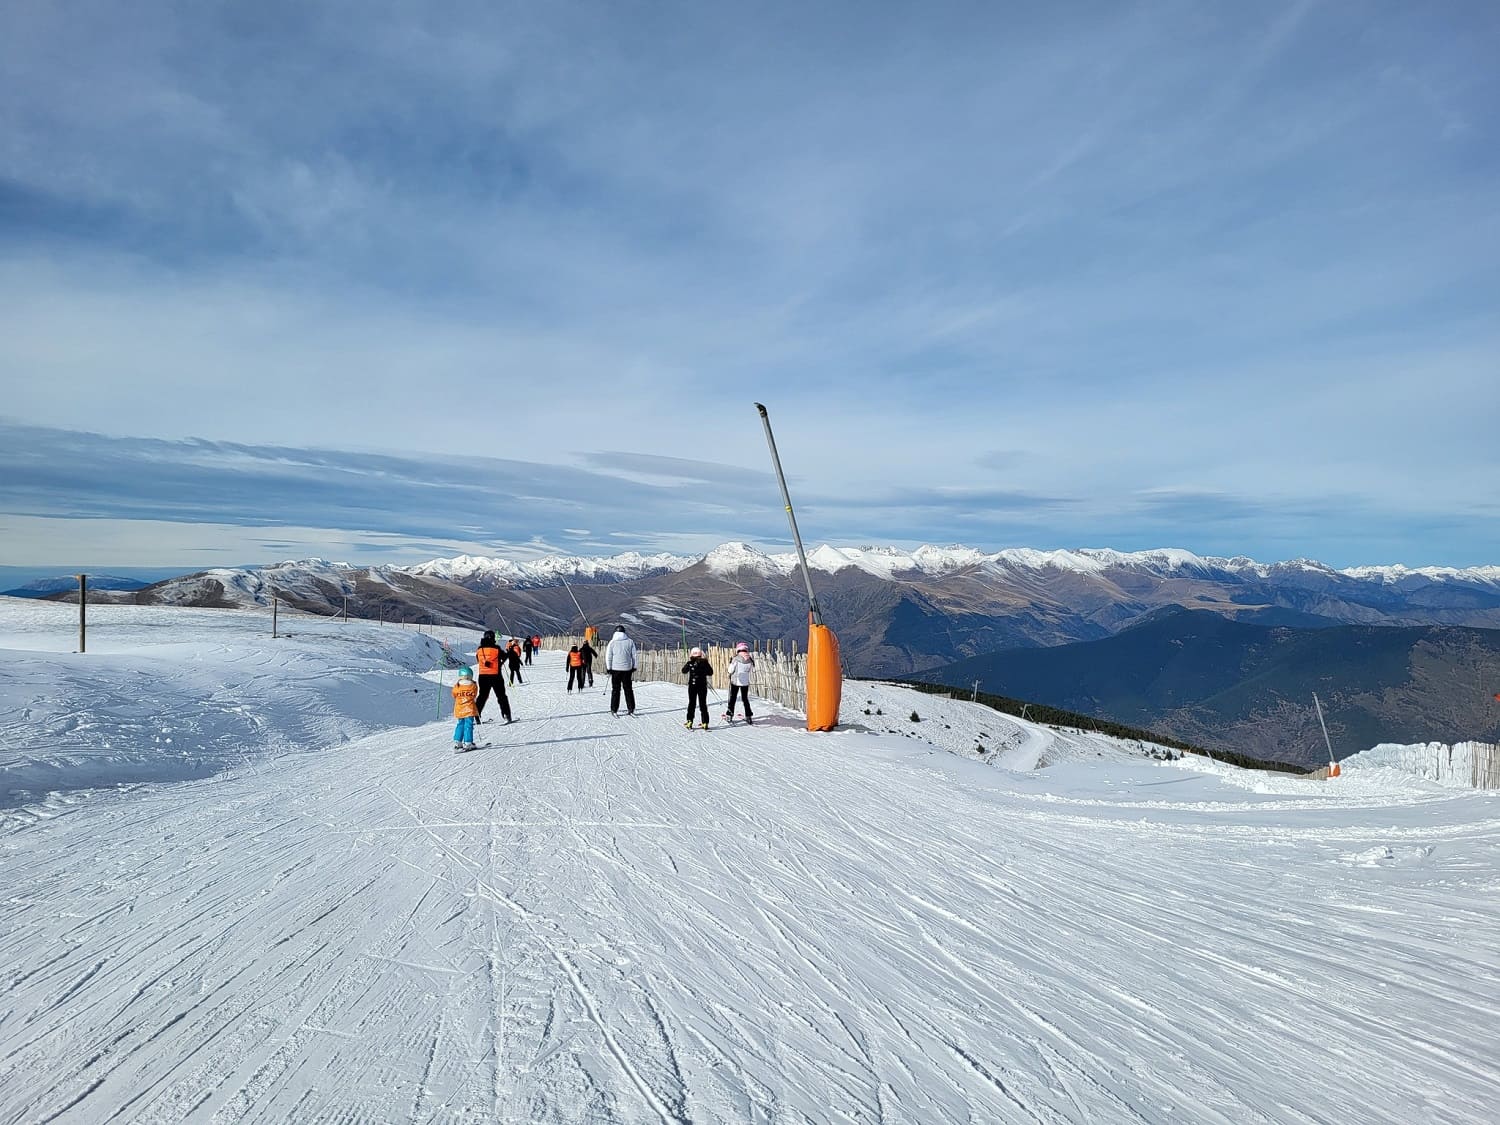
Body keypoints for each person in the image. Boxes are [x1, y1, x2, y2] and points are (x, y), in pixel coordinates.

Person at [474, 630, 512, 723]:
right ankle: (506, 715)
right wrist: (508, 653)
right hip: (496, 676)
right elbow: (504, 656)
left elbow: (478, 660)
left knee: (482, 696)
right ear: (493, 638)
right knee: (501, 696)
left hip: (483, 676)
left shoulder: (479, 650)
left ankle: (476, 715)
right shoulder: (497, 648)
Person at [605, 624, 637, 715]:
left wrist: (609, 668)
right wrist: (634, 666)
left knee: (616, 689)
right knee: (628, 689)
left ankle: (614, 709)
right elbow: (634, 655)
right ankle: (631, 708)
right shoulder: (630, 642)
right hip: (627, 669)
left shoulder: (612, 642)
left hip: (615, 669)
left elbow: (608, 656)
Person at [682, 646, 713, 728]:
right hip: (702, 685)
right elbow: (710, 672)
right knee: (703, 704)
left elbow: (683, 671)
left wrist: (688, 663)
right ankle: (705, 722)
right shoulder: (705, 663)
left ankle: (690, 721)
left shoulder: (690, 663)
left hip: (692, 686)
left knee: (692, 703)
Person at [725, 641, 756, 724]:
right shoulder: (750, 660)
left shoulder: (736, 659)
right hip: (745, 682)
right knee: (745, 699)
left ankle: (729, 715)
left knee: (733, 698)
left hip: (736, 681)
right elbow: (753, 671)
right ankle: (748, 716)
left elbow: (730, 670)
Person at [452, 666, 479, 751]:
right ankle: (468, 742)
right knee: (468, 725)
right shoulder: (473, 685)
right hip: (469, 709)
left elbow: (454, 695)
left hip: (459, 709)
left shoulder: (457, 686)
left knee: (460, 724)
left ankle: (458, 742)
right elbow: (475, 694)